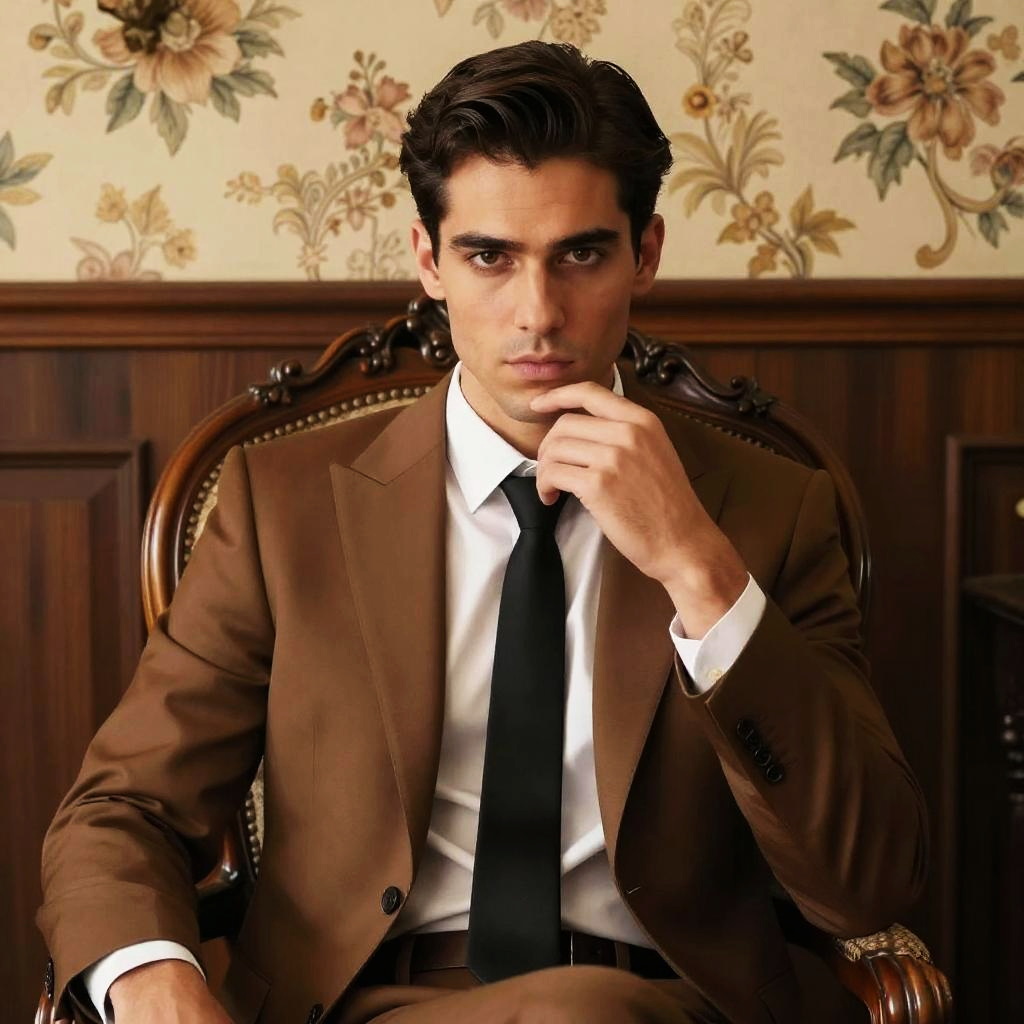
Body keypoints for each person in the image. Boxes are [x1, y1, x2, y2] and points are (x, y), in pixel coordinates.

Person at [38, 41, 928, 1024]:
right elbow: (123, 809)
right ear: (427, 260)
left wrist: (698, 565)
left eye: (580, 254)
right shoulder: (283, 504)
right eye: (488, 257)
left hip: (656, 1003)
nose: (536, 314)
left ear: (646, 254)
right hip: (355, 1002)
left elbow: (866, 880)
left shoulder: (769, 509)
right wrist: (150, 974)